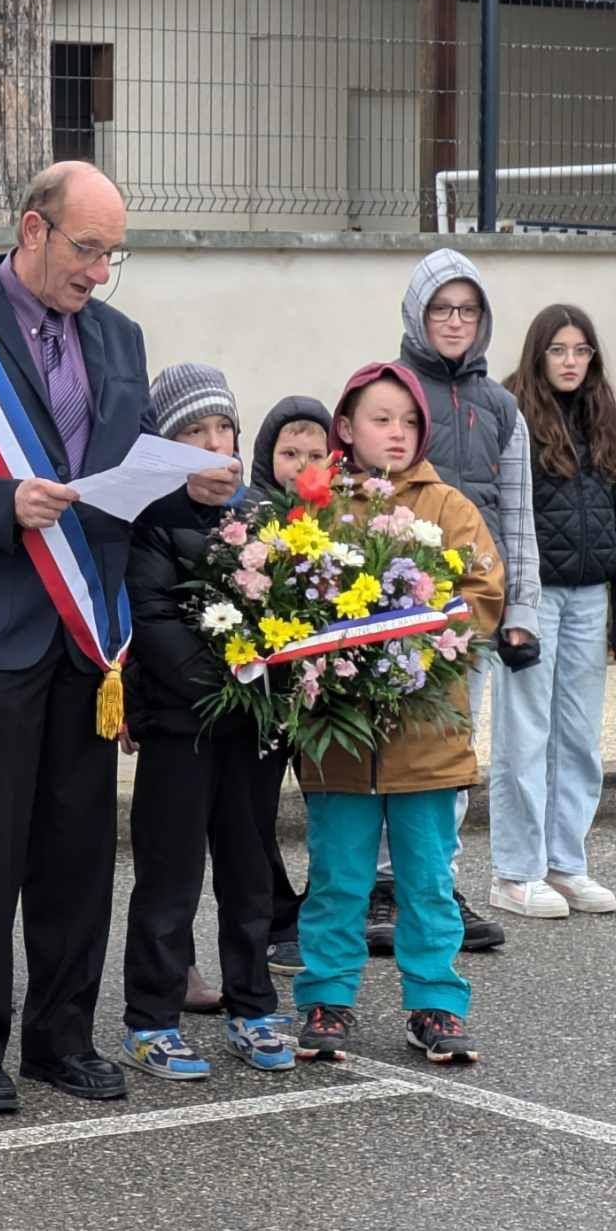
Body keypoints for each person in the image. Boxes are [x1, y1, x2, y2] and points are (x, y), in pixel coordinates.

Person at [0, 160, 241, 1115]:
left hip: (89, 635)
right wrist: (0, 501)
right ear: (32, 230)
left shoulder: (118, 337)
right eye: (86, 250)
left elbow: (123, 468)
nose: (99, 273)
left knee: (78, 848)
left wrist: (186, 483)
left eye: (114, 255)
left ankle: (60, 1037)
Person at [294, 362, 505, 1065]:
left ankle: (435, 1003)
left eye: (409, 421)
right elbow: (294, 603)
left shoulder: (447, 506)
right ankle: (327, 994)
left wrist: (420, 636)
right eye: (381, 419)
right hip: (341, 746)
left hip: (428, 741)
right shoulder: (318, 505)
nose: (397, 432)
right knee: (338, 879)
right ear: (346, 429)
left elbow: (482, 593)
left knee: (428, 881)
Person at [119, 364, 297, 1082]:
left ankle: (252, 1003)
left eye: (222, 427)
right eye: (194, 432)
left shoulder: (263, 516)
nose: (214, 442)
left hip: (252, 727)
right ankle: (151, 1018)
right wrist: (222, 684)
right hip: (180, 723)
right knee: (169, 873)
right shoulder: (151, 522)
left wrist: (272, 681)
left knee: (251, 867)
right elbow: (153, 618)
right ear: (168, 448)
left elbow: (295, 609)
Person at [393, 247, 540, 955]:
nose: (455, 321)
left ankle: (435, 879)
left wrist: (520, 612)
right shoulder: (391, 390)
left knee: (451, 752)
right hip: (392, 609)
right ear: (419, 314)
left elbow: (518, 519)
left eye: (468, 309)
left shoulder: (502, 407)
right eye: (441, 308)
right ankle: (383, 885)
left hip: (468, 614)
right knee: (391, 746)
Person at [488, 305, 616, 919]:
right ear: (538, 354)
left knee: (579, 736)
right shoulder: (512, 414)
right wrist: (509, 602)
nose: (571, 362)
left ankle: (566, 862)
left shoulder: (600, 416)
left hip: (588, 596)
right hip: (533, 596)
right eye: (559, 350)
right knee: (524, 734)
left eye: (581, 351)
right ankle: (515, 871)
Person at [246, 395, 332, 978]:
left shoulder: (345, 519)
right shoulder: (248, 518)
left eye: (316, 454)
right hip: (266, 695)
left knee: (334, 806)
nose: (302, 464)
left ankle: (324, 914)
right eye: (289, 452)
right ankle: (276, 917)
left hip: (329, 691)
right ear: (266, 455)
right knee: (256, 811)